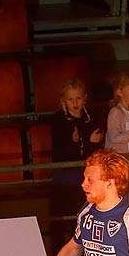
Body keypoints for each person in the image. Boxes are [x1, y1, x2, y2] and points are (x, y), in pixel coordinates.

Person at [47, 76, 103, 246]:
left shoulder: (91, 118)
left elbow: (93, 149)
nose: (75, 102)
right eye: (70, 99)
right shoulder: (59, 119)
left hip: (84, 177)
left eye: (78, 98)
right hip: (63, 176)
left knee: (81, 216)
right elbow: (63, 148)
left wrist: (84, 142)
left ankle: (82, 250)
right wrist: (84, 142)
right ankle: (57, 252)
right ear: (63, 100)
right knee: (60, 216)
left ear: (85, 98)